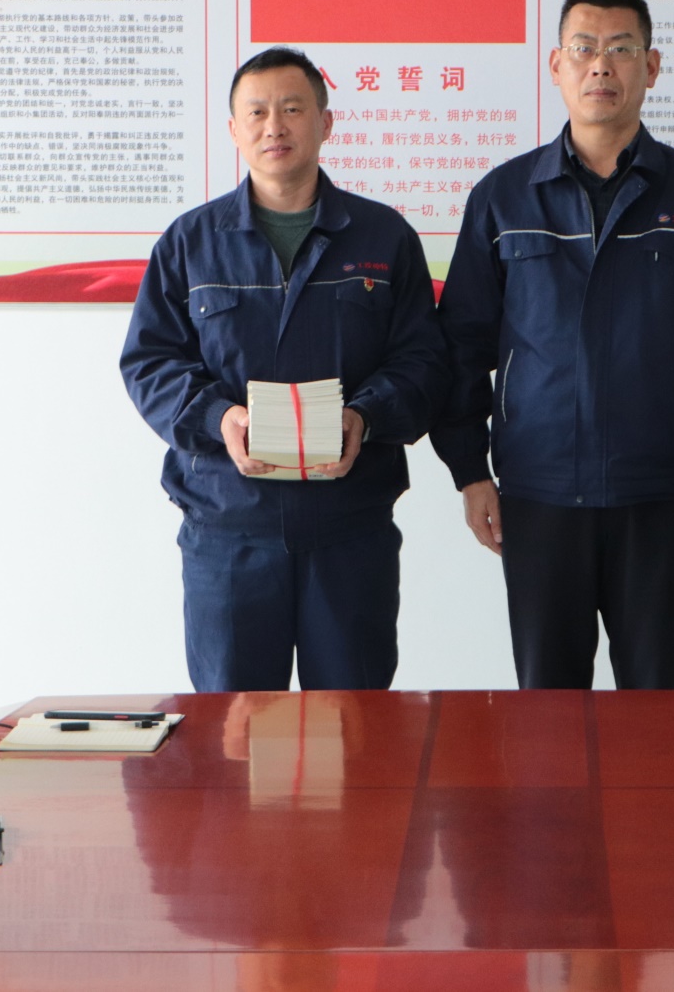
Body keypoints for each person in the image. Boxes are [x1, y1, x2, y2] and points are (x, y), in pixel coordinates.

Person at [431, 0, 674, 690]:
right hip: (538, 491)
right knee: (547, 710)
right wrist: (470, 471)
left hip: (660, 491)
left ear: (651, 67)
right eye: (583, 49)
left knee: (655, 707)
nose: (600, 66)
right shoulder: (503, 197)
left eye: (620, 49)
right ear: (556, 65)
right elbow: (460, 348)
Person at [121, 47, 447, 692]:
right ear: (234, 129)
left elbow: (424, 360)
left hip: (350, 527)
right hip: (228, 530)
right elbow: (149, 362)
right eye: (258, 112)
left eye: (293, 108)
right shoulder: (190, 242)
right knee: (234, 729)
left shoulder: (383, 237)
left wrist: (365, 417)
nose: (275, 126)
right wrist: (220, 418)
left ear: (326, 123)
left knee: (354, 727)